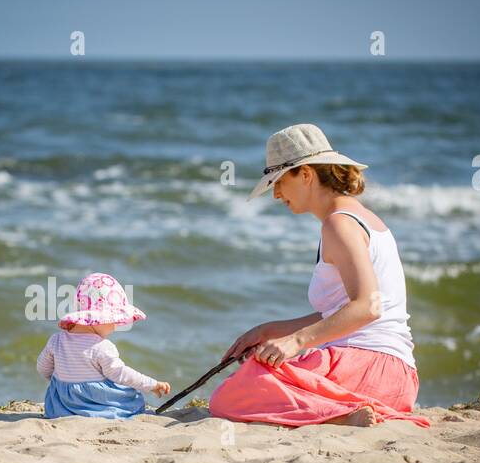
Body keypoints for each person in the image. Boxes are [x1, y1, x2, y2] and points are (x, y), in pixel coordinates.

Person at [209, 124, 429, 428]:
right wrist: (268, 330)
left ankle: (340, 414)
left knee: (228, 398)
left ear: (306, 174)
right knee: (249, 382)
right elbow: (342, 312)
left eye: (279, 181)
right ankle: (350, 411)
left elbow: (368, 306)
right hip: (398, 379)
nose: (275, 194)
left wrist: (296, 342)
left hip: (367, 367)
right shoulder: (360, 218)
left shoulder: (339, 225)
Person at [36, 272, 170, 418]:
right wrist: (151, 384)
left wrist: (62, 381)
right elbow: (121, 374)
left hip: (61, 406)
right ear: (98, 319)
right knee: (132, 397)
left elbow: (43, 368)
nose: (115, 326)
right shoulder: (101, 347)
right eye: (113, 320)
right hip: (95, 402)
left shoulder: (56, 340)